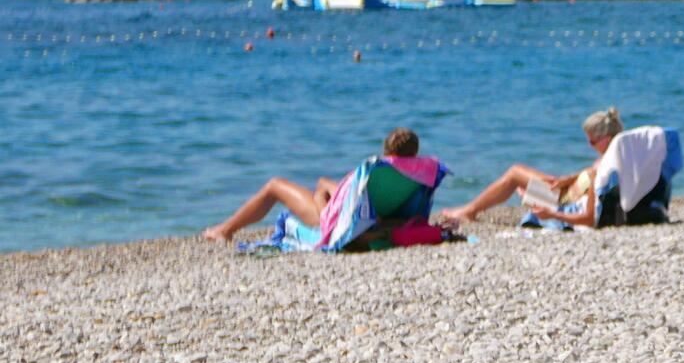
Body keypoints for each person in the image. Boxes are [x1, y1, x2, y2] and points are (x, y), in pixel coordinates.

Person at [205, 127, 434, 242]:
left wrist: (319, 193)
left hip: (343, 225)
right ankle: (225, 229)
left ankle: (225, 231)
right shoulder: (420, 174)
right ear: (415, 152)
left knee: (275, 185)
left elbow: (341, 202)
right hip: (383, 221)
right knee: (322, 189)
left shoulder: (376, 171)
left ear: (386, 152)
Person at [440, 108, 624, 228]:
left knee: (514, 174)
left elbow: (592, 199)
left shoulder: (605, 164)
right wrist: (571, 177)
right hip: (563, 189)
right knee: (517, 174)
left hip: (562, 200)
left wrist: (553, 209)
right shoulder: (614, 158)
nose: (588, 145)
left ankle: (469, 211)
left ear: (606, 140)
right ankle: (471, 209)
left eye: (592, 141)